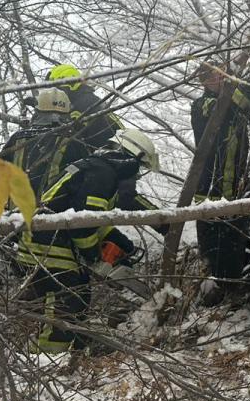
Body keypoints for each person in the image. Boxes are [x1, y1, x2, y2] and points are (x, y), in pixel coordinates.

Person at [18, 129, 163, 353]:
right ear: (130, 158)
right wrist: (94, 256)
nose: (136, 175)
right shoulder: (103, 175)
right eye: (139, 168)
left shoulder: (98, 167)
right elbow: (82, 225)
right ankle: (46, 358)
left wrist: (117, 240)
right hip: (47, 242)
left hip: (49, 237)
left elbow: (90, 217)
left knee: (79, 295)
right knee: (66, 302)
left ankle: (69, 348)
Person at [191, 63, 250, 304]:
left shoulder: (233, 101)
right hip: (210, 184)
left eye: (221, 73)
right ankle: (219, 282)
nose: (221, 78)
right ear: (204, 82)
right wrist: (238, 83)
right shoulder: (202, 104)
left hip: (234, 180)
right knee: (214, 237)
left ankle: (232, 282)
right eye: (215, 76)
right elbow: (228, 105)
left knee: (233, 234)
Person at [1, 88, 87, 196]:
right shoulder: (73, 140)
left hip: (17, 210)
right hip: (57, 210)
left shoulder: (18, 138)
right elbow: (84, 177)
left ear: (37, 111)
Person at [47, 63, 124, 151]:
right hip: (100, 153)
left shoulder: (86, 102)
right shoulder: (79, 101)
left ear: (72, 85)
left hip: (108, 154)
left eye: (59, 89)